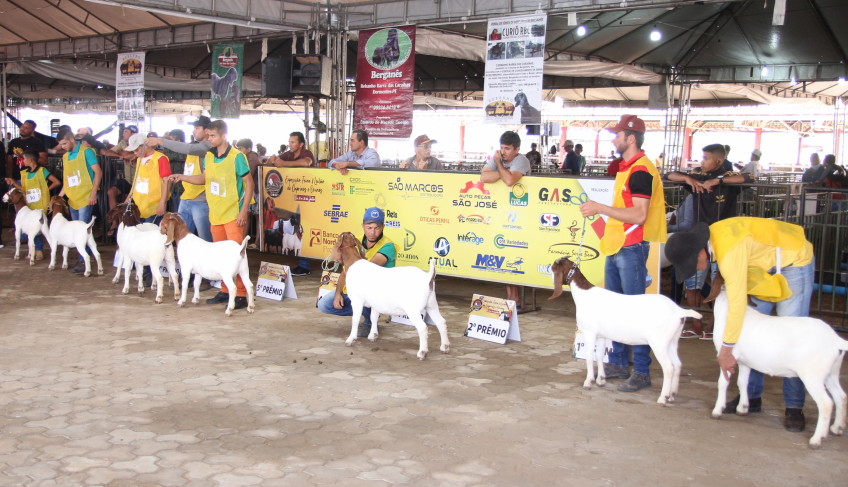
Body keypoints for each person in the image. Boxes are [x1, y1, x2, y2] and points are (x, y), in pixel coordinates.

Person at [665, 217, 814, 433]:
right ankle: (750, 398)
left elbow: (737, 305)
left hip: (794, 258)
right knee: (751, 332)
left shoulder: (729, 251)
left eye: (691, 266)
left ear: (699, 254)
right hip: (762, 263)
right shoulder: (714, 243)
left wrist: (727, 350)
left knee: (793, 333)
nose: (694, 270)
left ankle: (794, 405)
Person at [578, 114, 667, 393]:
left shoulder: (641, 170)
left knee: (637, 311)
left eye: (617, 134)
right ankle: (617, 361)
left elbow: (639, 215)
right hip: (618, 246)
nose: (613, 138)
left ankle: (641, 370)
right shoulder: (628, 167)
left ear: (630, 138)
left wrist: (599, 208)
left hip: (631, 247)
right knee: (615, 309)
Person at [667, 143, 753, 338]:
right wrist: (688, 178)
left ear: (718, 161)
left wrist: (718, 181)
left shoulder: (728, 178)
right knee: (693, 281)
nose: (702, 162)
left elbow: (750, 177)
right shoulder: (699, 176)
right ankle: (696, 325)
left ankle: (714, 326)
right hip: (699, 237)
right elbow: (669, 175)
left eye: (705, 158)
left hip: (724, 238)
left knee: (720, 283)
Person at [168, 120, 254, 310]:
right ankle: (225, 290)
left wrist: (243, 211)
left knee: (236, 255)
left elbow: (249, 184)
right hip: (215, 213)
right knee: (220, 256)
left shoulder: (237, 157)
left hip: (233, 213)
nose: (210, 139)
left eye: (213, 136)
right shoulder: (208, 156)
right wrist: (181, 177)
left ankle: (240, 294)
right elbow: (204, 179)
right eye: (208, 136)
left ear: (224, 135)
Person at [317, 207, 398, 338]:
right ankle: (361, 312)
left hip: (376, 290)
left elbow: (366, 271)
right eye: (369, 227)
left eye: (376, 228)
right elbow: (346, 271)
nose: (372, 232)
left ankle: (370, 322)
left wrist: (346, 258)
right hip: (358, 289)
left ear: (383, 227)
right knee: (324, 304)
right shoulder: (355, 241)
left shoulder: (388, 246)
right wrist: (338, 293)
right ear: (363, 226)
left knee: (365, 293)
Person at [480, 130, 531, 306]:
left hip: (522, 214)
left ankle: (515, 299)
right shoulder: (500, 159)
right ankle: (511, 299)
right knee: (505, 253)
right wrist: (504, 171)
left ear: (517, 149)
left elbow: (510, 181)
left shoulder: (521, 160)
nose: (503, 152)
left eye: (507, 149)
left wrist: (499, 167)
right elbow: (484, 176)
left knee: (514, 254)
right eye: (502, 148)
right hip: (504, 212)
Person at [143, 116, 213, 243]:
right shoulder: (196, 146)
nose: (193, 131)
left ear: (207, 130)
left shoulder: (208, 147)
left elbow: (189, 149)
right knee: (180, 236)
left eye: (197, 128)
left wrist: (161, 141)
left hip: (201, 199)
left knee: (205, 239)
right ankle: (184, 263)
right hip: (187, 197)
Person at [266, 132, 316, 276]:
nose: (290, 144)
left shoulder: (306, 153)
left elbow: (306, 162)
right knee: (293, 231)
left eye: (293, 142)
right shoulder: (288, 154)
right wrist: (273, 159)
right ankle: (300, 262)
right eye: (289, 142)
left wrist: (283, 164)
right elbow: (273, 161)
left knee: (302, 230)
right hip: (292, 196)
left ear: (301, 144)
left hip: (307, 196)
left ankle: (304, 265)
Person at [56, 128, 103, 274]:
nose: (62, 147)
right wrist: (60, 196)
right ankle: (81, 258)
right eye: (61, 144)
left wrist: (93, 193)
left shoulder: (87, 152)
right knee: (76, 232)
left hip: (85, 196)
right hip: (72, 198)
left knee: (82, 231)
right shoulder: (65, 156)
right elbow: (67, 179)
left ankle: (83, 261)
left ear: (71, 139)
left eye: (64, 143)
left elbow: (98, 172)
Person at [4, 149, 60, 261]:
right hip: (28, 204)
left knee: (36, 225)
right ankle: (35, 250)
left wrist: (45, 190)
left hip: (40, 203)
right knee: (32, 228)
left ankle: (38, 250)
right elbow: (23, 189)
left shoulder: (42, 171)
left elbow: (56, 182)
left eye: (24, 159)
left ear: (30, 160)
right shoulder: (25, 173)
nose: (22, 161)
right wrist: (14, 183)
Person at [124, 133, 171, 223]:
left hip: (154, 206)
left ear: (144, 146)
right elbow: (136, 181)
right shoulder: (139, 159)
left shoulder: (160, 158)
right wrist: (129, 197)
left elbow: (167, 181)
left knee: (152, 233)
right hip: (139, 205)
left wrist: (162, 203)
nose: (134, 153)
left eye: (136, 150)